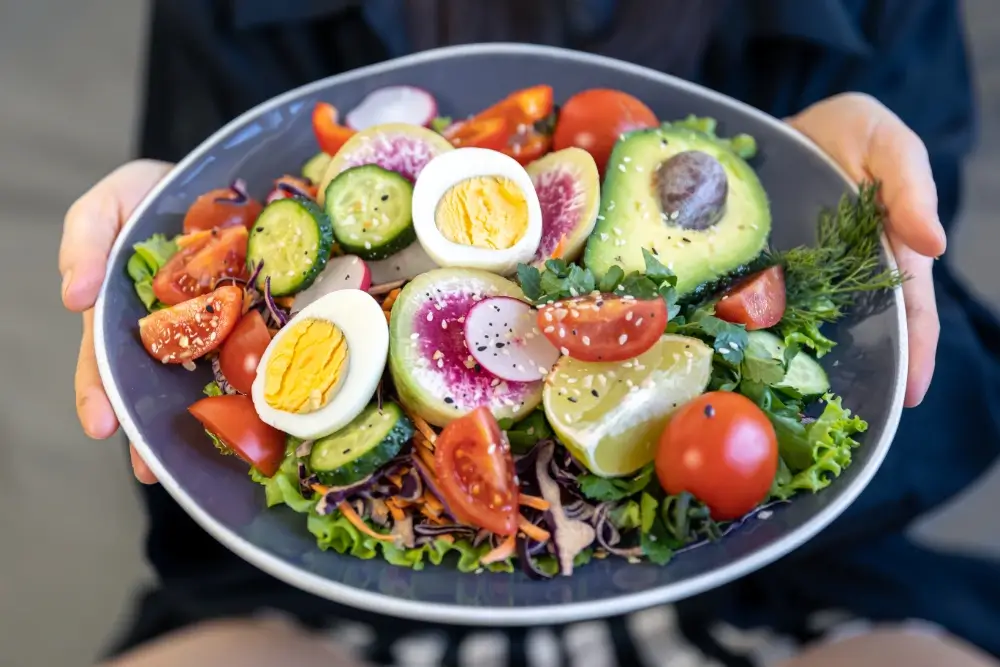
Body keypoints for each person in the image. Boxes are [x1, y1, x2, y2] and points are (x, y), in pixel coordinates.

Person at [61, 1, 1000, 665]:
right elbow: (229, 232)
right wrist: (191, 222)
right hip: (320, 603)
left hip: (774, 586)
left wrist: (820, 196)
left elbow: (910, 371)